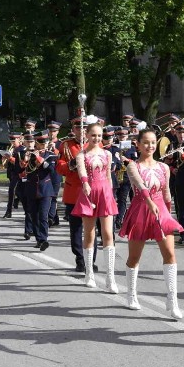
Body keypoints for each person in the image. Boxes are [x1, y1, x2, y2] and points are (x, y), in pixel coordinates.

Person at [118, 128, 184, 316]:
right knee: (134, 257)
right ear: (137, 145)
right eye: (145, 142)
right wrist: (149, 202)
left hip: (161, 210)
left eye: (153, 142)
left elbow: (166, 193)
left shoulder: (163, 167)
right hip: (140, 208)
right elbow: (140, 185)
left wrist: (169, 212)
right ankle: (131, 293)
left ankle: (172, 301)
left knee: (170, 253)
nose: (150, 146)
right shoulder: (133, 166)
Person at [71, 123, 119, 290]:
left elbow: (108, 176)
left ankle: (110, 277)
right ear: (87, 135)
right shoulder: (82, 155)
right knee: (89, 234)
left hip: (105, 193)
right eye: (93, 135)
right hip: (89, 193)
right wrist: (85, 183)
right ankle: (89, 273)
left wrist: (111, 194)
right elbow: (82, 171)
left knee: (108, 234)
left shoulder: (107, 154)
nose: (97, 138)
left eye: (99, 135)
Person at [56, 116, 92, 274]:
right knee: (76, 228)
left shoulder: (94, 144)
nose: (81, 131)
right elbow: (59, 166)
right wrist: (70, 165)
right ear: (73, 129)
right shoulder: (65, 145)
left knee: (90, 229)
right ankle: (79, 258)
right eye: (78, 128)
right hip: (73, 192)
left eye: (84, 128)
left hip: (91, 191)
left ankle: (91, 259)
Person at [25, 132, 57, 251]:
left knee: (43, 216)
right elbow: (25, 171)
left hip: (46, 190)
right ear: (37, 144)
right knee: (34, 216)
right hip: (32, 189)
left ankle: (44, 239)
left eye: (45, 143)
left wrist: (40, 159)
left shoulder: (51, 155)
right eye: (41, 143)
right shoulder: (29, 154)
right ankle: (39, 239)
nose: (43, 145)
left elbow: (52, 170)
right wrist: (27, 159)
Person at [46, 121, 63, 226]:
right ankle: (54, 217)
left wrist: (55, 149)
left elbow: (63, 157)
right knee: (48, 196)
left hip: (56, 172)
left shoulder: (61, 144)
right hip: (46, 172)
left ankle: (51, 217)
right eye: (50, 131)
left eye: (54, 131)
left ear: (58, 132)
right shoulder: (44, 142)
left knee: (53, 196)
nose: (52, 133)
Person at [2, 132, 22, 218]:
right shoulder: (10, 149)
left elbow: (20, 163)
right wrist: (4, 160)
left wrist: (10, 158)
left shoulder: (22, 149)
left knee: (15, 191)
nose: (12, 142)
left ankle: (9, 210)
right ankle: (9, 211)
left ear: (19, 139)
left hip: (18, 173)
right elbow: (6, 165)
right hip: (11, 173)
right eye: (11, 140)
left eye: (14, 140)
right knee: (13, 192)